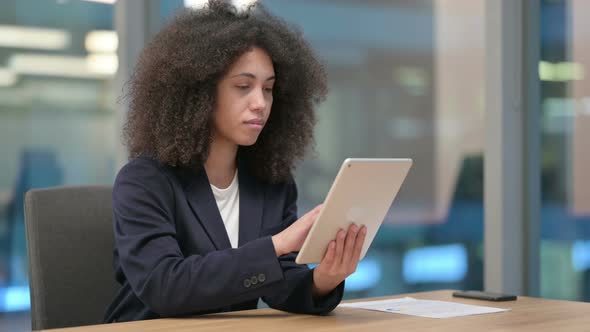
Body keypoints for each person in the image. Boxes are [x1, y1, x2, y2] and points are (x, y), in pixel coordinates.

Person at [104, 0, 366, 323]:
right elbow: (165, 286)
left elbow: (278, 282)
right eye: (243, 86)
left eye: (268, 89)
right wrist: (277, 245)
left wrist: (323, 279)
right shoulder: (144, 180)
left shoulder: (271, 181)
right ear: (199, 92)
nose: (260, 103)